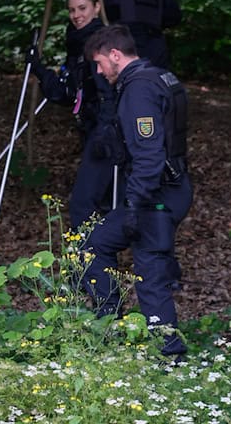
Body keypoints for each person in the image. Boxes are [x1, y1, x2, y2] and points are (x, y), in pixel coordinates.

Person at [81, 24, 192, 357]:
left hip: (156, 194)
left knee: (151, 271)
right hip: (168, 188)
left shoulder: (139, 89)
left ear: (116, 55)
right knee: (97, 244)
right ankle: (111, 326)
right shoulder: (160, 77)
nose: (99, 71)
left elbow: (149, 155)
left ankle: (169, 353)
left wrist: (134, 205)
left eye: (100, 63)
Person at [26, 0, 125, 229]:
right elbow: (67, 92)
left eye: (82, 8)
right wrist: (38, 69)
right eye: (72, 10)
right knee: (101, 200)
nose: (76, 15)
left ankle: (89, 260)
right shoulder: (78, 43)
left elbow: (111, 93)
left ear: (96, 8)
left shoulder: (102, 42)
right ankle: (100, 258)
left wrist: (106, 131)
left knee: (86, 203)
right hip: (91, 129)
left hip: (107, 134)